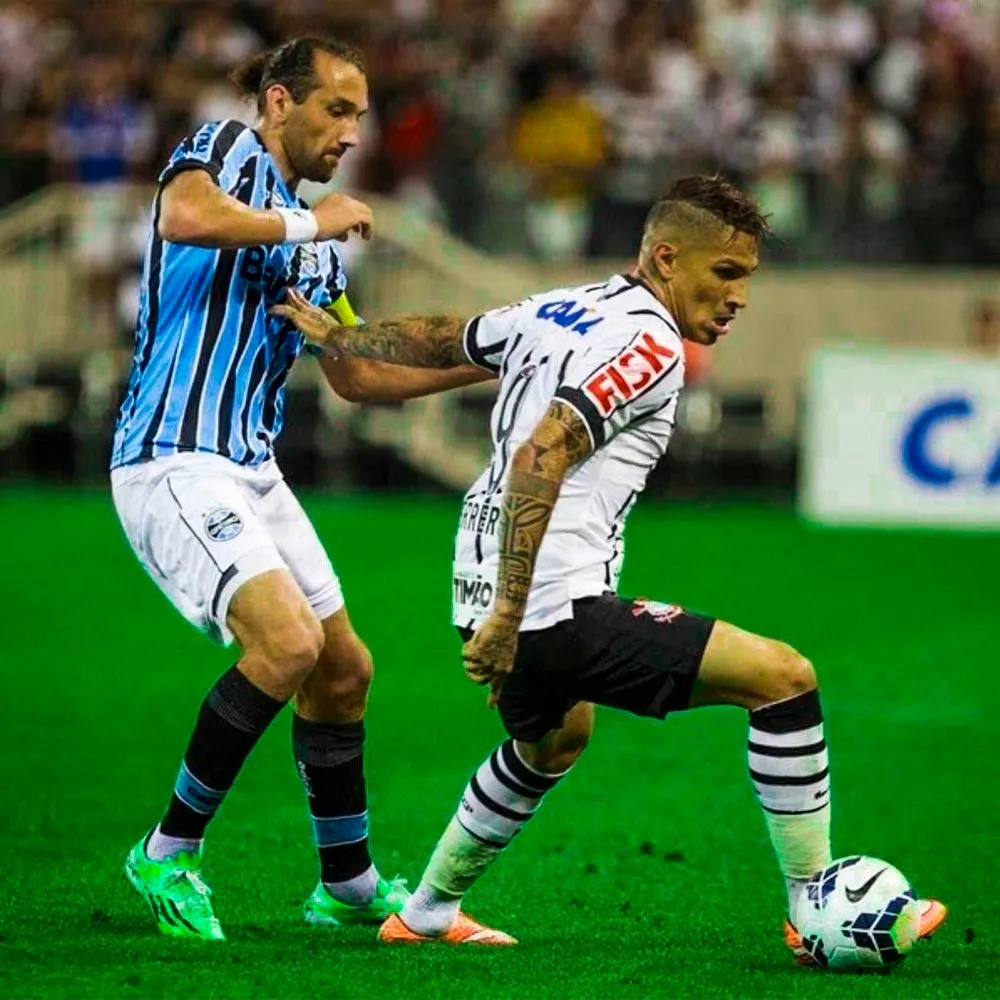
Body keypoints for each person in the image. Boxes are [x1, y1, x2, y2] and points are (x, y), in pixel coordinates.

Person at [272, 174, 948, 955]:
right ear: (666, 258)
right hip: (542, 601)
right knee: (785, 678)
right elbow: (542, 451)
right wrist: (509, 620)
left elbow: (444, 338)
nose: (738, 297)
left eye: (747, 279)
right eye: (724, 273)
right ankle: (814, 906)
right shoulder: (651, 342)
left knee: (556, 740)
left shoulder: (559, 308)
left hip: (485, 583)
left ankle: (423, 914)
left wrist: (344, 340)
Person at [110, 35, 490, 942]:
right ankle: (166, 852)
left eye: (359, 115)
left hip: (253, 467)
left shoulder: (323, 252)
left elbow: (355, 374)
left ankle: (348, 887)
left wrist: (487, 365)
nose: (352, 132)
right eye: (337, 109)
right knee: (282, 645)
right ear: (279, 103)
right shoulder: (224, 152)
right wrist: (308, 222)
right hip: (171, 455)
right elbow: (186, 221)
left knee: (343, 668)